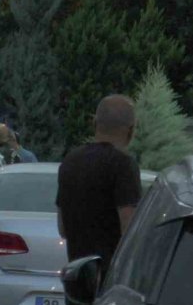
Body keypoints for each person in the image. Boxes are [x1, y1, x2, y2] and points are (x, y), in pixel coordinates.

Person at [57, 94, 141, 277]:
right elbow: (129, 228)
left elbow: (62, 227)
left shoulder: (70, 161)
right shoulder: (124, 165)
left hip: (78, 278)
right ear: (131, 130)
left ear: (95, 124)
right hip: (111, 279)